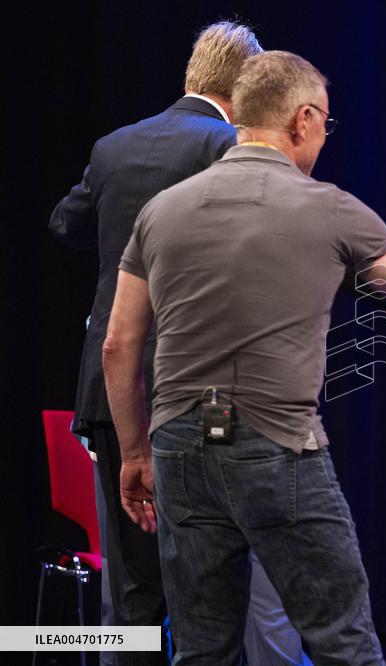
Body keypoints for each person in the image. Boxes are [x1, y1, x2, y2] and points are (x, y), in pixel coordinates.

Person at [102, 50, 386, 665]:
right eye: (325, 122)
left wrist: (134, 453)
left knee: (200, 650)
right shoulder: (330, 207)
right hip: (276, 444)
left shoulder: (160, 212)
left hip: (179, 448)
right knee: (343, 642)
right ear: (301, 120)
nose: (325, 136)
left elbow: (118, 346)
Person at [49, 21, 310, 666]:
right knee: (215, 581)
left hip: (113, 392)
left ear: (190, 75)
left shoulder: (114, 147)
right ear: (247, 87)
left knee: (132, 589)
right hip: (208, 394)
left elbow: (64, 224)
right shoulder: (232, 146)